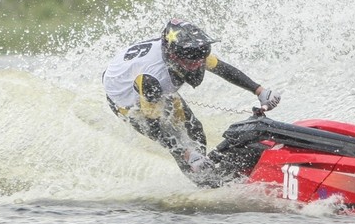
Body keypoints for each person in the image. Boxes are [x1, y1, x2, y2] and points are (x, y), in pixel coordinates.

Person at [102, 18, 281, 186]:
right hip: (128, 102)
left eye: (200, 60)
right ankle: (203, 182)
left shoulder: (191, 52)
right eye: (191, 62)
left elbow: (223, 69)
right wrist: (187, 154)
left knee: (195, 129)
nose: (197, 65)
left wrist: (260, 91)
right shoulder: (153, 80)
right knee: (178, 139)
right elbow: (155, 127)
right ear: (172, 56)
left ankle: (206, 170)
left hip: (143, 80)